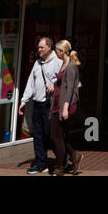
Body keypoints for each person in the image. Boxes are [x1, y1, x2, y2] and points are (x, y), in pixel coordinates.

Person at [19, 36, 62, 174]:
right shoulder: (37, 63)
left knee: (50, 134)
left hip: (49, 104)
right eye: (38, 47)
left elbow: (65, 80)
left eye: (42, 47)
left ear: (49, 47)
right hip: (37, 103)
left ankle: (64, 160)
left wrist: (54, 83)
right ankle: (40, 163)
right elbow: (31, 82)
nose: (39, 50)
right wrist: (23, 101)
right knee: (37, 135)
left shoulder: (58, 62)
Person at [50, 40, 83, 175]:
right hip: (57, 104)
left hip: (64, 106)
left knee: (55, 136)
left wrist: (65, 108)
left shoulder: (71, 67)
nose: (55, 52)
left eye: (56, 50)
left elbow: (69, 89)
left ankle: (59, 167)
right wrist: (53, 84)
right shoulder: (63, 64)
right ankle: (74, 156)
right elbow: (62, 83)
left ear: (62, 52)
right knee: (60, 136)